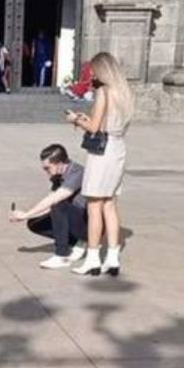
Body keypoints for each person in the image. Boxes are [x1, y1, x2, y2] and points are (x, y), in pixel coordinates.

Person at [66, 52, 133, 277]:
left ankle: (93, 258)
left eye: (94, 70)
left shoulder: (103, 91)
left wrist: (76, 120)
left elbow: (94, 128)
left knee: (94, 206)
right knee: (110, 204)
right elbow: (108, 125)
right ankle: (112, 258)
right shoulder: (124, 92)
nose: (91, 74)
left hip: (101, 153)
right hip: (118, 147)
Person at [10, 144, 88, 269]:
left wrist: (27, 214)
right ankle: (74, 241)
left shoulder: (77, 172)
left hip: (87, 222)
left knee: (58, 204)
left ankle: (62, 256)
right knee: (35, 223)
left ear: (60, 163)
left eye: (47, 168)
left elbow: (55, 199)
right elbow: (48, 206)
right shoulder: (58, 176)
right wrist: (26, 216)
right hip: (74, 217)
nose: (46, 172)